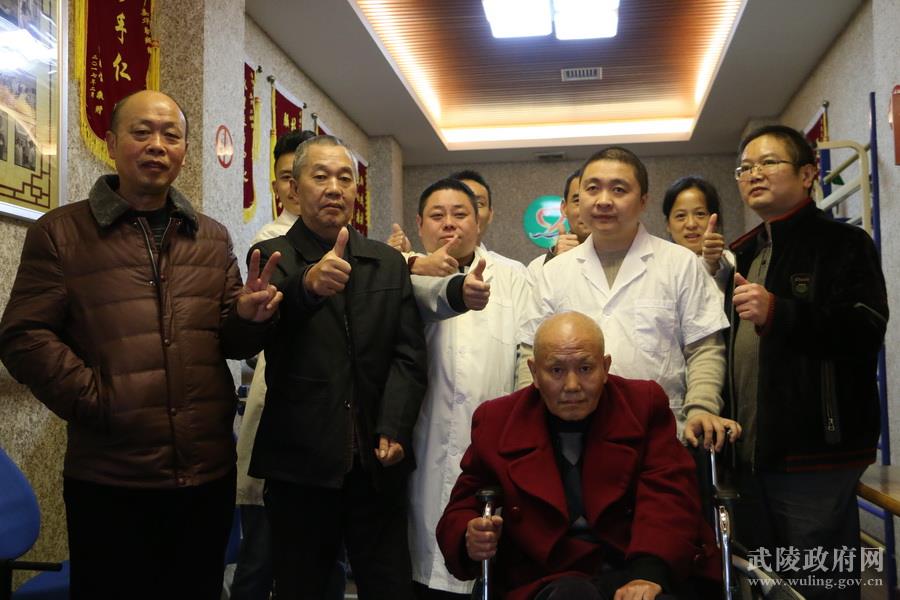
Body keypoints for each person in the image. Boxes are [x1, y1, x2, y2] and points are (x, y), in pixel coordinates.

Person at [0, 90, 282, 600]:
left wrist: (249, 318)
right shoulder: (60, 233)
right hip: (111, 477)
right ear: (111, 144)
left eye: (171, 135)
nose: (157, 145)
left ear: (183, 151)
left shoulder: (211, 238)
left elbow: (228, 339)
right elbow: (23, 336)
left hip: (206, 473)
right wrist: (98, 400)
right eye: (142, 132)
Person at [248, 135, 427, 599]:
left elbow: (408, 355)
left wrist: (395, 425)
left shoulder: (387, 262)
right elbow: (251, 336)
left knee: (389, 586)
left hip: (376, 461)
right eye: (320, 176)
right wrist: (306, 286)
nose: (334, 188)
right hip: (301, 463)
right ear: (294, 188)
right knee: (302, 587)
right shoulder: (273, 258)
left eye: (345, 178)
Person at [436, 312, 721, 600]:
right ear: (534, 373)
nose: (572, 385)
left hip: (633, 565)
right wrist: (470, 537)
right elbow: (462, 508)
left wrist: (649, 572)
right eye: (556, 371)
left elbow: (669, 494)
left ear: (605, 367)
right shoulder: (497, 421)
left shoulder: (642, 405)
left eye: (585, 368)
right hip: (543, 578)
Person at [728, 125, 888, 599]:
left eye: (768, 162)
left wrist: (779, 312)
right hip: (750, 455)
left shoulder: (843, 243)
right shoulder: (743, 251)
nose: (754, 173)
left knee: (819, 585)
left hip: (817, 454)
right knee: (767, 586)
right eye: (745, 167)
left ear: (807, 174)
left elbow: (866, 328)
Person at [517, 146, 738, 449]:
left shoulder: (680, 263)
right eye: (592, 189)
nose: (603, 200)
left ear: (643, 200)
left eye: (619, 189)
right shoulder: (553, 272)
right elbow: (531, 352)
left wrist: (701, 408)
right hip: (571, 437)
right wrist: (526, 419)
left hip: (659, 433)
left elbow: (704, 346)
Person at [407, 178, 530, 598]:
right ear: (420, 224)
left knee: (493, 565)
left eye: (460, 214)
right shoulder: (403, 274)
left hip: (495, 447)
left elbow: (527, 353)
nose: (449, 224)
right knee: (422, 562)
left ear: (479, 221)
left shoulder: (513, 277)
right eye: (437, 215)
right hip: (422, 444)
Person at [232, 129, 320, 600]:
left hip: (323, 422)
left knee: (317, 558)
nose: (295, 187)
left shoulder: (339, 241)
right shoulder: (271, 242)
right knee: (261, 556)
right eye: (288, 177)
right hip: (279, 409)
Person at [450, 169, 530, 278]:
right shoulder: (424, 270)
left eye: (478, 204)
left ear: (490, 214)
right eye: (460, 204)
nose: (471, 212)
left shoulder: (514, 272)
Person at [661, 175, 732, 292]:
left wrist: (715, 264)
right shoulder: (658, 267)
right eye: (680, 215)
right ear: (668, 224)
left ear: (715, 219)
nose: (691, 224)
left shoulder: (733, 262)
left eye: (700, 214)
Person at [526, 168, 590, 282]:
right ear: (564, 208)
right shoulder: (537, 268)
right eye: (578, 201)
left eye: (592, 200)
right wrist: (555, 263)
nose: (586, 209)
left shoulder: (625, 259)